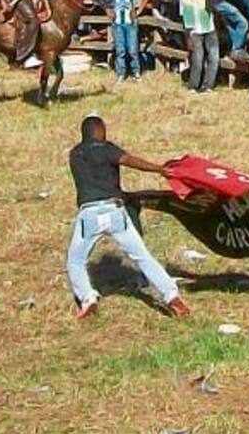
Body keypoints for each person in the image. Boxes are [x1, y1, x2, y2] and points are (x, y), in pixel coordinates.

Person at [65, 115, 191, 320]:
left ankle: (87, 299)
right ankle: (171, 296)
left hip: (89, 214)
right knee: (142, 256)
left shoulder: (75, 154)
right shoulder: (107, 149)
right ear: (99, 131)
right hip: (115, 212)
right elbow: (130, 161)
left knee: (76, 260)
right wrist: (159, 169)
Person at [104, 0, 150, 83]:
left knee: (133, 49)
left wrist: (138, 11)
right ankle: (121, 73)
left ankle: (136, 72)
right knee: (120, 50)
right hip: (117, 23)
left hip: (131, 22)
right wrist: (109, 11)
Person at [179, 0, 218, 93]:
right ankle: (193, 85)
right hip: (194, 32)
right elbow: (185, 20)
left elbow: (212, 8)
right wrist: (188, 39)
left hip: (209, 29)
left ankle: (208, 85)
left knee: (213, 58)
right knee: (197, 59)